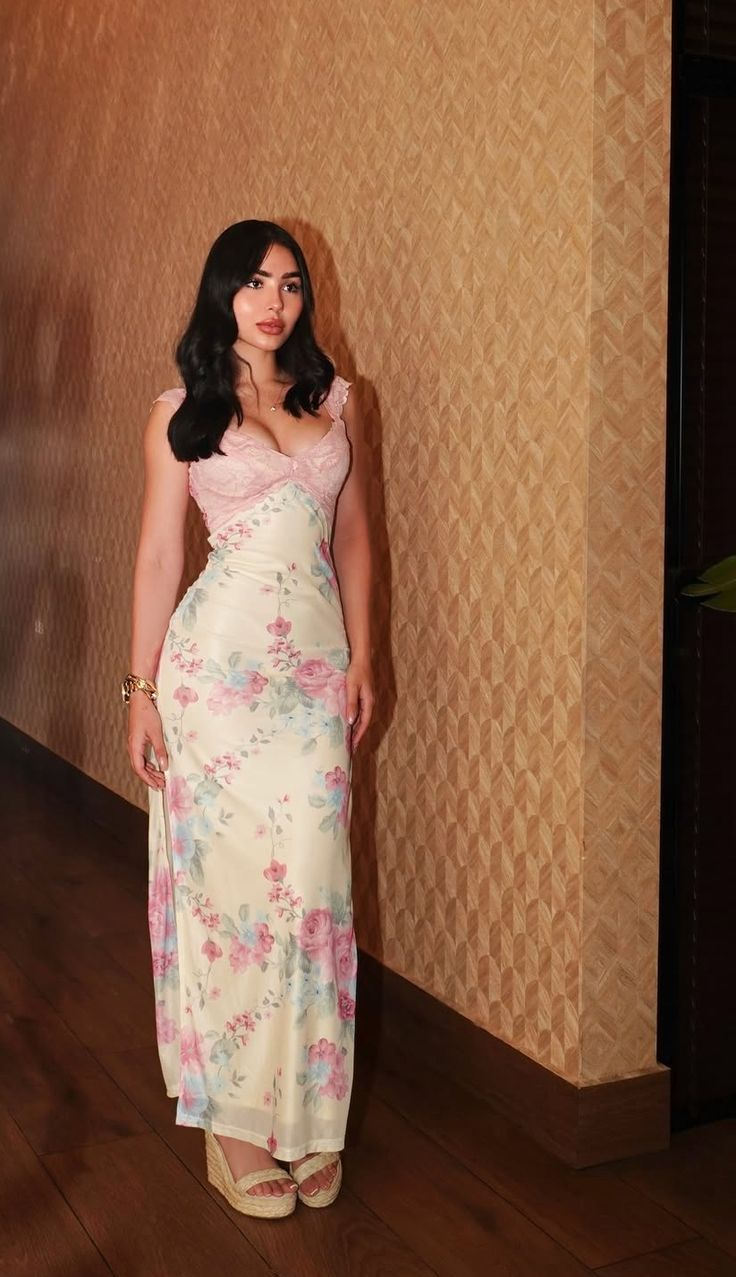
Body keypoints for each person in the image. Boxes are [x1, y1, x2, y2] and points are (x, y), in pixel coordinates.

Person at [125, 220, 373, 1218]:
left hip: (313, 675)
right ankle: (232, 1121)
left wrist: (365, 655)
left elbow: (355, 536)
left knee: (312, 881)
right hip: (213, 676)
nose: (274, 302)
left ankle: (305, 1110)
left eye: (291, 284)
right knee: (227, 893)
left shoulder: (334, 399)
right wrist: (140, 689)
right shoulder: (180, 412)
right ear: (221, 292)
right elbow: (158, 555)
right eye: (254, 283)